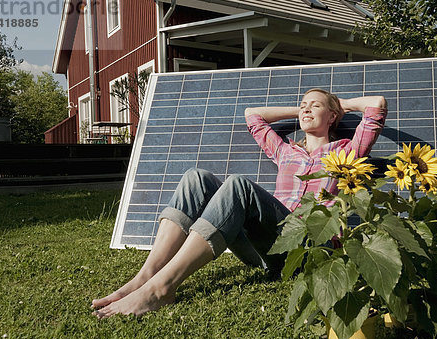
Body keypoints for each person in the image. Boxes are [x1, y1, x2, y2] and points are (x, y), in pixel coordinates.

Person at [92, 89, 387, 318]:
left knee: (239, 186)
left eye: (315, 105)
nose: (306, 108)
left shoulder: (350, 150)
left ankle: (162, 288)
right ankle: (146, 277)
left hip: (307, 247)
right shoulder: (286, 151)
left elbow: (376, 105)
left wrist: (338, 103)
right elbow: (253, 115)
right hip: (266, 245)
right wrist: (305, 109)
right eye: (303, 105)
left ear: (333, 117)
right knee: (197, 177)